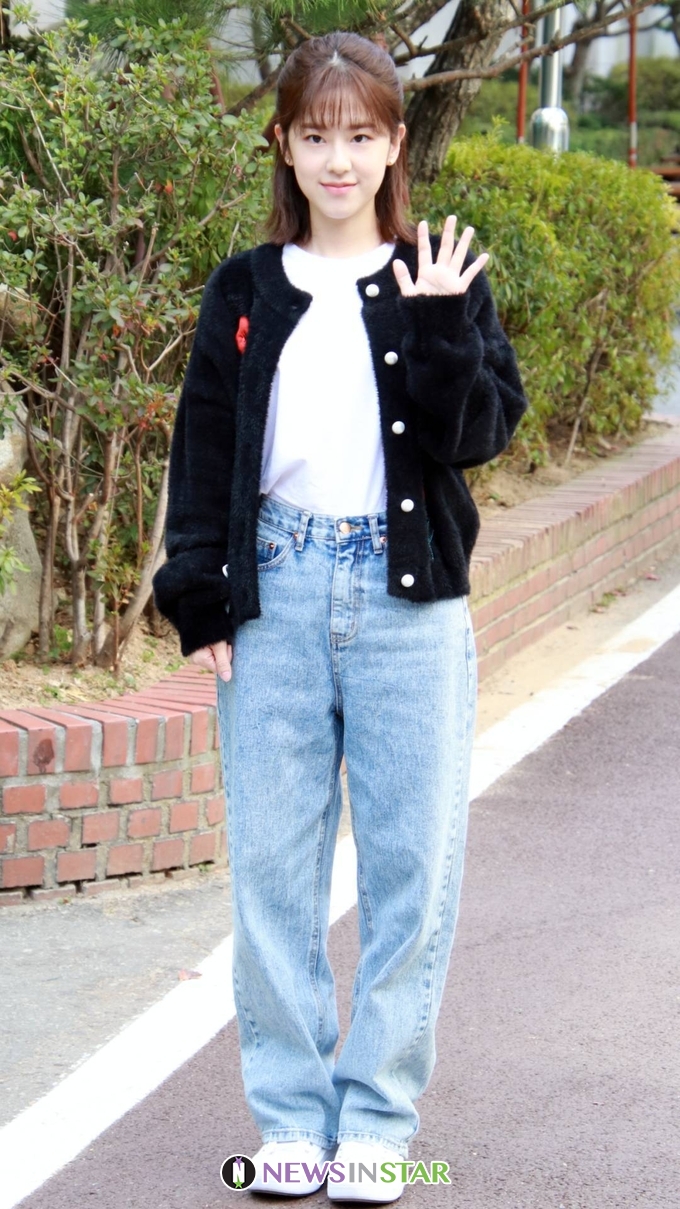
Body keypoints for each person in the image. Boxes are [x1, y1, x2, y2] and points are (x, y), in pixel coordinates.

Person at [152, 30, 527, 1203]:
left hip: (406, 599)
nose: (337, 159)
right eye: (315, 135)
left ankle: (374, 1120)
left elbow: (479, 436)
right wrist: (200, 593)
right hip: (274, 589)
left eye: (360, 135)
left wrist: (441, 325)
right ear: (283, 144)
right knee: (272, 870)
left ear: (394, 143)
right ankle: (288, 1118)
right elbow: (205, 444)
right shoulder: (243, 287)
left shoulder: (437, 271)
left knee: (413, 868)